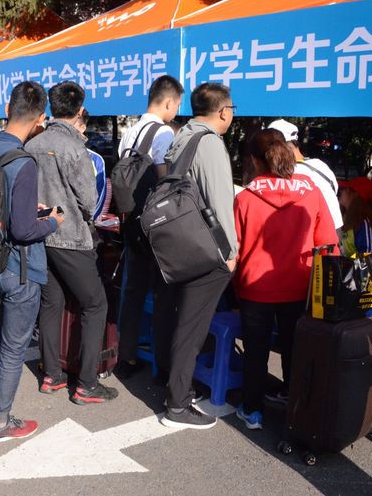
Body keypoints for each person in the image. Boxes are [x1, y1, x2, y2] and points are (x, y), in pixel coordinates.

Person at [0, 81, 63, 442]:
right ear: (41, 118)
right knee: (14, 347)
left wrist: (27, 209)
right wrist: (53, 221)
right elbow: (25, 230)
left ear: (8, 107)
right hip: (20, 267)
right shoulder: (23, 162)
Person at [233, 129, 338, 429]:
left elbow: (234, 248)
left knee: (256, 351)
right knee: (295, 349)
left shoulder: (245, 197)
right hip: (300, 285)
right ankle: (294, 406)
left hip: (255, 287)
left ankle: (252, 410)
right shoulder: (312, 193)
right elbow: (328, 245)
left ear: (255, 160)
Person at [27, 81, 117, 405]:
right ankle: (87, 384)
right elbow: (89, 201)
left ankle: (52, 376)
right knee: (96, 305)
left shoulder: (33, 144)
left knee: (51, 303)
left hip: (40, 234)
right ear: (80, 110)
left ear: (52, 108)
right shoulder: (75, 147)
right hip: (71, 237)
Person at [159, 82, 238, 430]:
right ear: (223, 111)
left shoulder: (182, 137)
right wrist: (230, 252)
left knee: (181, 320)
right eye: (232, 108)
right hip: (205, 249)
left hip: (178, 242)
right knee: (192, 329)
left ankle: (176, 387)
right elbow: (220, 202)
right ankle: (177, 405)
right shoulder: (210, 143)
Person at [114, 75, 183, 379]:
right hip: (156, 225)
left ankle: (126, 357)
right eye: (177, 105)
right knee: (165, 296)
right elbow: (164, 177)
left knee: (133, 292)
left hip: (131, 222)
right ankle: (163, 367)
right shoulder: (163, 132)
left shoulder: (130, 131)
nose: (176, 110)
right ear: (168, 101)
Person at [268, 119, 343, 232]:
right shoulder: (320, 165)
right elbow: (335, 191)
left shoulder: (290, 173)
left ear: (279, 147)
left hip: (316, 234)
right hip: (336, 229)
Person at [337, 176, 372, 257]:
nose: (341, 191)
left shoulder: (365, 224)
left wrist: (346, 261)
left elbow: (367, 255)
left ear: (355, 194)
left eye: (346, 189)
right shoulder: (342, 217)